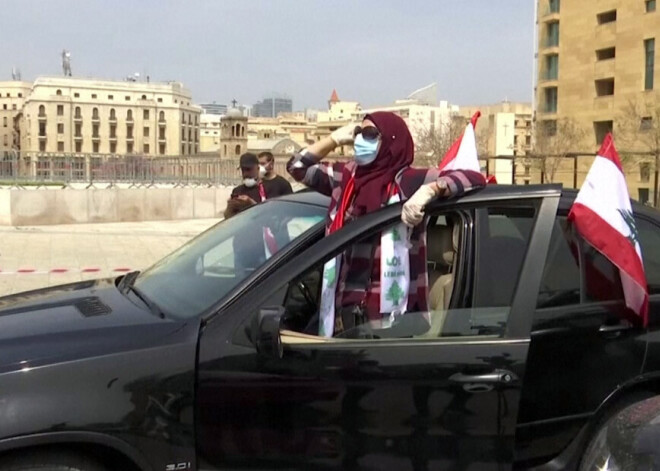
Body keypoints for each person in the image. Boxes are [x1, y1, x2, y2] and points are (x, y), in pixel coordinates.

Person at [287, 111, 486, 337]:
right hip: (343, 310)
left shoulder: (407, 180)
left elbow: (473, 178)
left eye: (370, 134)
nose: (360, 139)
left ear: (391, 140)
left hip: (390, 317)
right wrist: (334, 139)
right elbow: (297, 167)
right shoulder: (346, 178)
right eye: (358, 133)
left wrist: (431, 190)